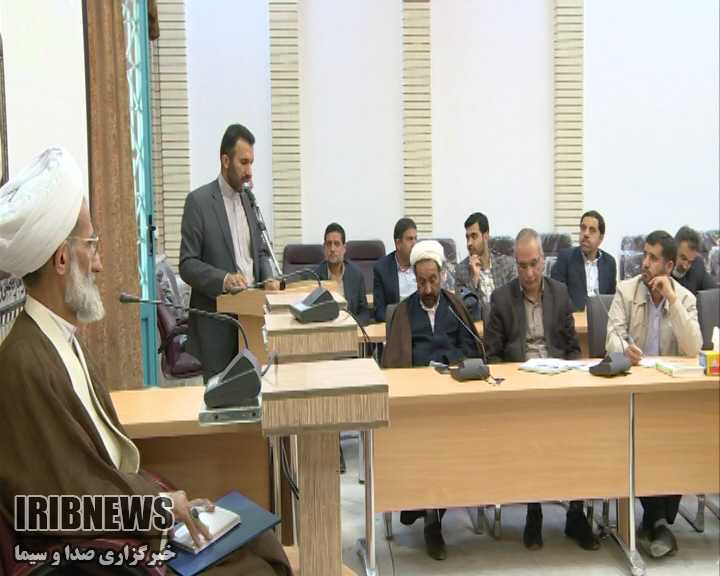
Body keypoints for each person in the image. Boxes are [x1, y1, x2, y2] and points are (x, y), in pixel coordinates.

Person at [0, 147, 292, 575]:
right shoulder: (22, 362)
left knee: (257, 536)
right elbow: (48, 509)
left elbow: (95, 473)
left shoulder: (60, 340)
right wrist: (157, 509)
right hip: (101, 559)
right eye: (92, 246)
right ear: (62, 259)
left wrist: (165, 505)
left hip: (126, 528)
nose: (99, 264)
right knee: (256, 568)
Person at [484, 228, 600, 552]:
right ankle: (533, 513)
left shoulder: (560, 293)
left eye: (534, 264)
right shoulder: (502, 299)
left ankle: (576, 514)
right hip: (521, 390)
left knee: (581, 435)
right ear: (515, 265)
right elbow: (492, 357)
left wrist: (574, 378)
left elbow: (573, 348)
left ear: (543, 260)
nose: (529, 273)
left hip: (558, 384)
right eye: (522, 266)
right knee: (531, 438)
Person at [381, 241, 482, 560]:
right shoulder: (403, 312)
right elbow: (395, 363)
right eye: (421, 281)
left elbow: (471, 348)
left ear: (442, 275)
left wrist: (452, 365)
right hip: (418, 403)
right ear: (414, 278)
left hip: (454, 397)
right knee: (428, 443)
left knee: (454, 443)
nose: (427, 289)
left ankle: (426, 507)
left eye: (433, 280)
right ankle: (431, 521)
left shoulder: (455, 306)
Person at [606, 230, 702, 559]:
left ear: (669, 266)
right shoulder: (626, 290)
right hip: (633, 393)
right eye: (644, 255)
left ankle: (653, 521)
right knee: (641, 437)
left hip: (669, 397)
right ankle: (659, 522)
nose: (644, 263)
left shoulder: (685, 299)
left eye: (653, 258)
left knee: (678, 439)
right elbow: (611, 336)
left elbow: (693, 348)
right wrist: (624, 348)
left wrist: (672, 300)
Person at [180, 124, 280, 383]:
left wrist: (269, 277)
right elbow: (187, 264)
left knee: (257, 396)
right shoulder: (199, 202)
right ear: (225, 161)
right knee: (222, 402)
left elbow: (261, 252)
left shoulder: (249, 200)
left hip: (253, 321)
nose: (249, 171)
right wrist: (224, 279)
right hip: (218, 328)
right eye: (243, 162)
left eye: (251, 163)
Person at [551, 210, 617, 311]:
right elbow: (557, 296)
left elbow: (611, 300)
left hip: (599, 318)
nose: (586, 234)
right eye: (583, 228)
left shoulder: (609, 263)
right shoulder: (566, 258)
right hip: (573, 318)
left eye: (592, 230)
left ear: (601, 237)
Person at [455, 212, 516, 314]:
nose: (469, 243)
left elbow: (516, 302)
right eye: (467, 237)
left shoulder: (507, 266)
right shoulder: (461, 271)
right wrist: (474, 280)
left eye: (474, 236)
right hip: (477, 324)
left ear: (486, 237)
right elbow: (462, 310)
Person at [314, 222, 370, 326]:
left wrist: (352, 326)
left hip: (350, 328)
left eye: (336, 244)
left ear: (344, 248)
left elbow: (364, 313)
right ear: (324, 248)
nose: (332, 249)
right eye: (329, 244)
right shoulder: (315, 277)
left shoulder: (356, 275)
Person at [372, 217, 418, 322]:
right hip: (396, 324)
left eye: (415, 239)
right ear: (398, 244)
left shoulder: (420, 265)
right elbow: (379, 312)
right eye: (410, 239)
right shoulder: (382, 269)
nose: (414, 243)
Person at [672, 225, 718, 295]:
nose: (685, 266)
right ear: (673, 249)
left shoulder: (697, 266)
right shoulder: (661, 264)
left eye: (690, 262)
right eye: (683, 258)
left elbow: (716, 292)